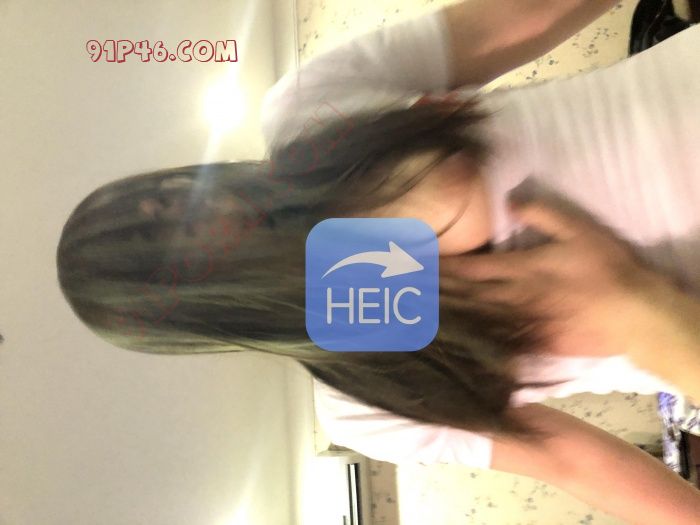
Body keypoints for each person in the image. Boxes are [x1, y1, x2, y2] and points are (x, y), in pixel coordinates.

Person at [55, 1, 700, 522]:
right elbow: (578, 465)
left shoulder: (308, 112)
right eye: (164, 239)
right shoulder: (363, 405)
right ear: (193, 310)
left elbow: (524, 17)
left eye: (163, 196)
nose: (185, 205)